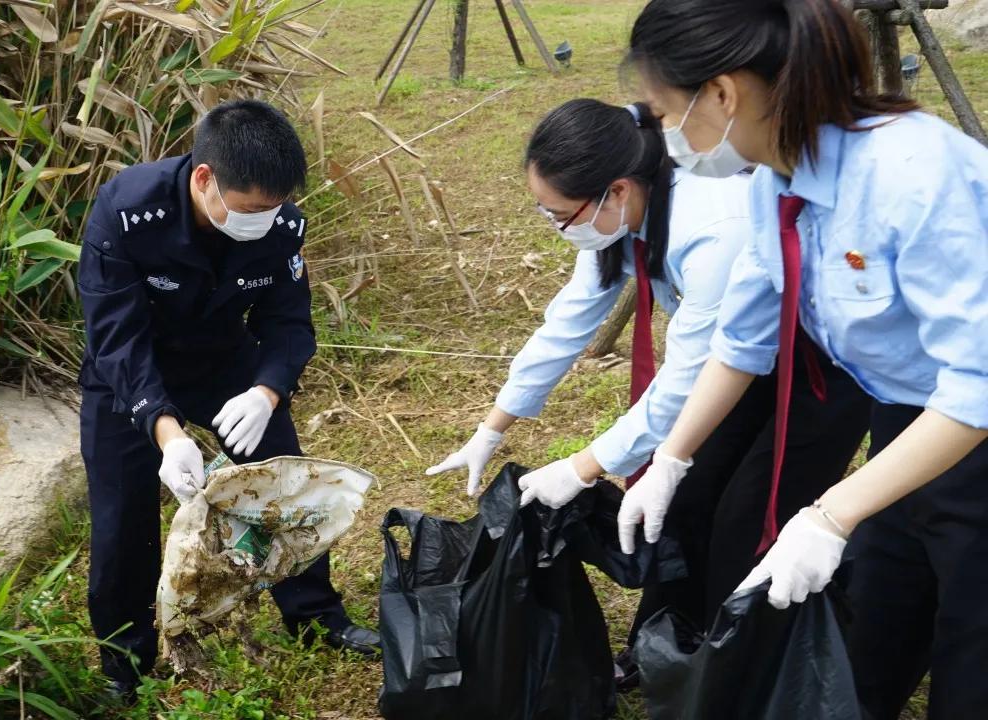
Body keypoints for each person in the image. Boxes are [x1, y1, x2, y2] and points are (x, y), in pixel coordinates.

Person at [622, 1, 988, 717]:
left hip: (968, 414)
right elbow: (743, 342)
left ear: (723, 94)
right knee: (875, 628)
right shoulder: (777, 183)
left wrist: (828, 514)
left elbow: (979, 384)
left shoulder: (912, 177)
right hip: (911, 413)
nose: (665, 139)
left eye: (666, 113)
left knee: (972, 646)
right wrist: (671, 458)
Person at [427, 99, 870, 684]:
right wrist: (494, 425)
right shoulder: (618, 219)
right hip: (735, 361)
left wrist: (584, 467)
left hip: (821, 363)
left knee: (749, 515)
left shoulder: (713, 228)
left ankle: (726, 665)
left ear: (615, 191)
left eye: (560, 214)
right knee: (685, 501)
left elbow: (685, 378)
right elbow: (568, 324)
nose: (557, 225)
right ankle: (660, 647)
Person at [77, 100, 380, 698]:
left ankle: (316, 618)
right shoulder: (127, 211)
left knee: (286, 486)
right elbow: (116, 336)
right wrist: (166, 430)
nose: (263, 222)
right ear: (204, 179)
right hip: (130, 372)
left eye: (275, 208)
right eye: (251, 211)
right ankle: (125, 663)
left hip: (225, 363)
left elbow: (289, 323)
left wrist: (267, 392)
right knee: (120, 519)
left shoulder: (280, 223)